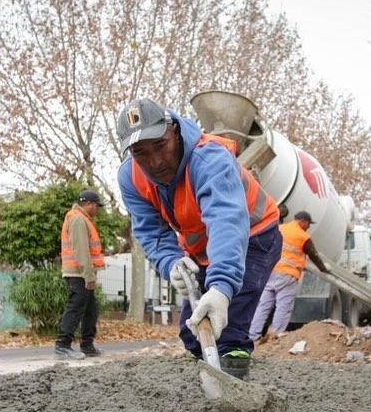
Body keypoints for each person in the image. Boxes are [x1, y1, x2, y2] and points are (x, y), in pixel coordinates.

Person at [116, 98, 281, 379]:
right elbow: (150, 230)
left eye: (160, 145)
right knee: (193, 331)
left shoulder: (209, 158)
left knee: (228, 329)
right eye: (141, 152)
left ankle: (236, 393)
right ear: (130, 152)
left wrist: (221, 286)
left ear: (175, 133)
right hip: (201, 250)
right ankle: (209, 387)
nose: (155, 161)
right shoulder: (130, 177)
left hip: (254, 237)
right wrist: (171, 262)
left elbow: (226, 221)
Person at [249, 211, 328, 341]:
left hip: (271, 272)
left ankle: (253, 336)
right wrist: (323, 268)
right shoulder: (302, 236)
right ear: (302, 221)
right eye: (308, 223)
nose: (309, 226)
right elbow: (314, 255)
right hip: (288, 275)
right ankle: (277, 334)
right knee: (283, 305)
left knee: (263, 305)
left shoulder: (280, 228)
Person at [55, 189, 105, 359]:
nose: (97, 209)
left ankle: (87, 345)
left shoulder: (82, 218)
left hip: (81, 273)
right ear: (88, 204)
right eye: (96, 206)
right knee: (75, 309)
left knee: (91, 310)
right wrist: (88, 276)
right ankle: (62, 345)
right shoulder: (77, 219)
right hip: (78, 274)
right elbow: (81, 250)